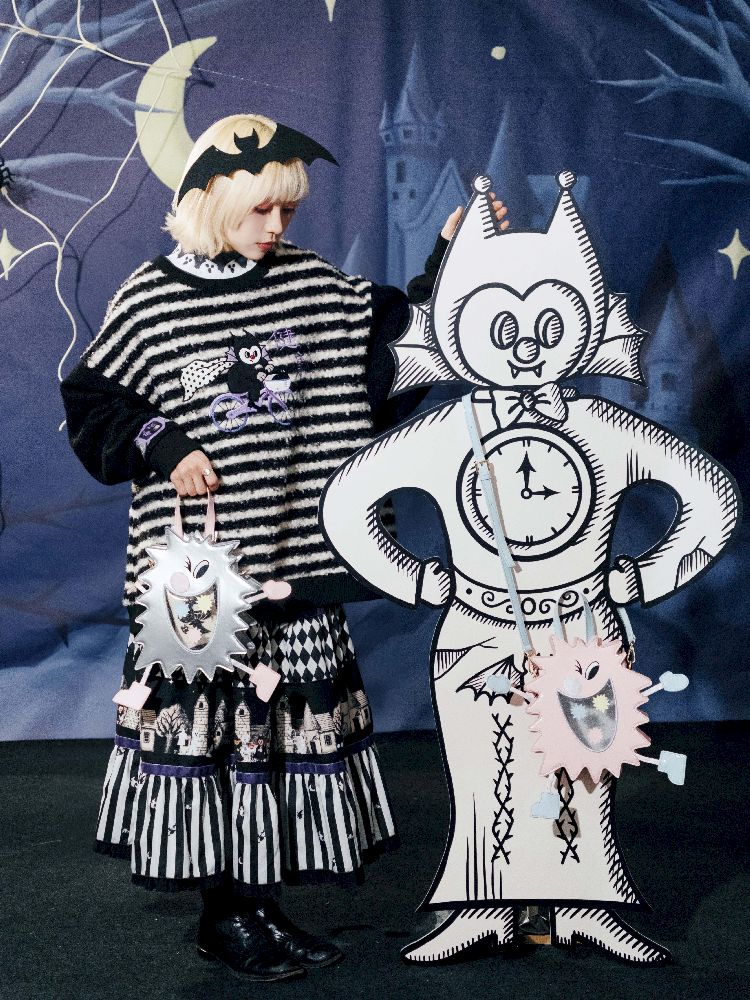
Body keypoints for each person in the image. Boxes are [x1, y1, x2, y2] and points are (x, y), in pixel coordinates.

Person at [61, 113, 509, 983]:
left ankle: (258, 907)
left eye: (289, 212)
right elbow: (93, 402)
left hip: (292, 559)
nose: (277, 227)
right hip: (200, 582)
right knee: (217, 744)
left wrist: (454, 258)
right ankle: (225, 916)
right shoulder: (151, 298)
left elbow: (398, 345)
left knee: (277, 739)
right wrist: (163, 442)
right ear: (211, 198)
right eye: (262, 209)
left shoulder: (309, 285)